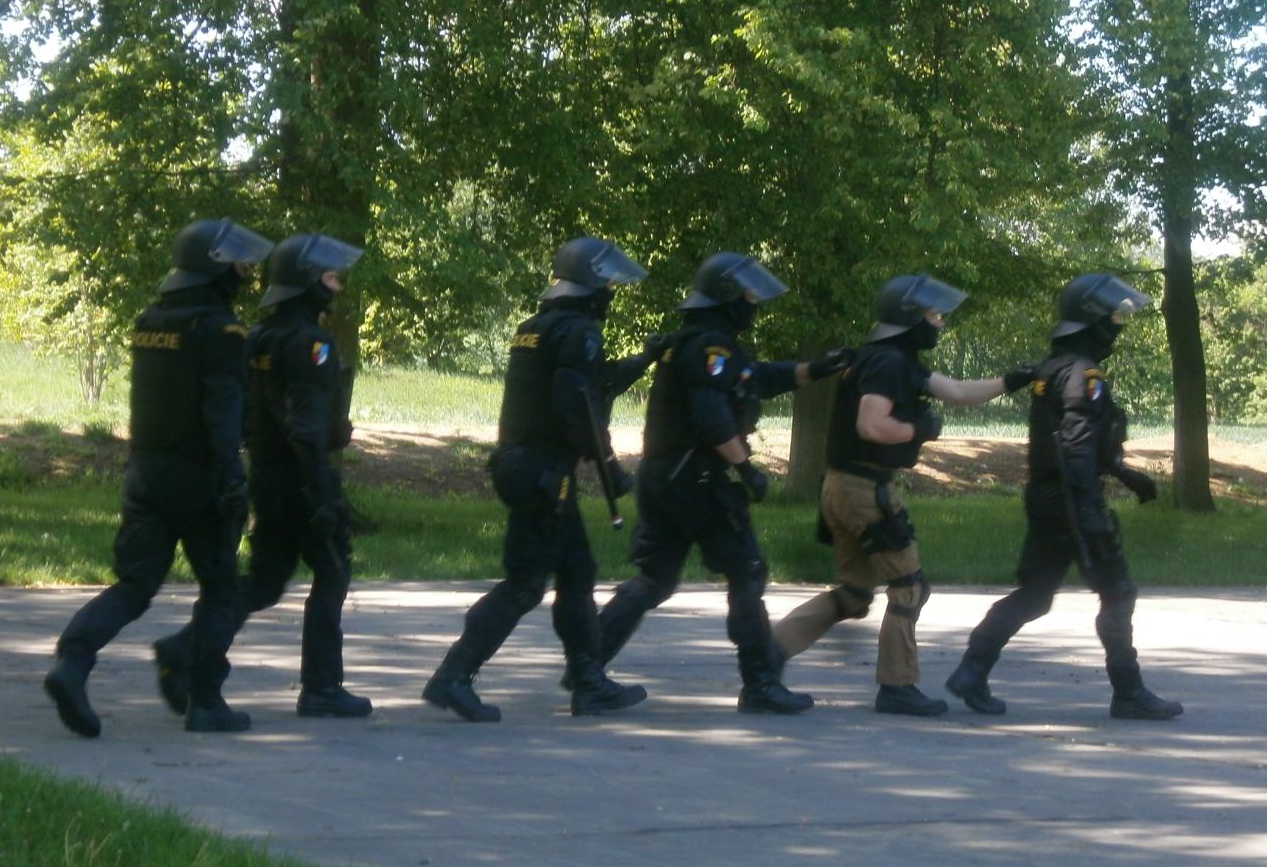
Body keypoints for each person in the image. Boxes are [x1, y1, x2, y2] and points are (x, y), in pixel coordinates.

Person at [43, 217, 273, 738]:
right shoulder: (223, 330)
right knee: (219, 588)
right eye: (238, 263)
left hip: (146, 474)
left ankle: (73, 661)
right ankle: (207, 701)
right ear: (214, 268)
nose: (244, 271)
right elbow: (221, 414)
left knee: (135, 584)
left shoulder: (151, 321)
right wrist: (234, 481)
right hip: (201, 480)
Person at [593, 251, 851, 713]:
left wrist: (816, 368)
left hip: (664, 476)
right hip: (695, 480)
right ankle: (760, 684)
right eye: (750, 294)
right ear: (729, 295)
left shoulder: (698, 343)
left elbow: (753, 378)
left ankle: (587, 670)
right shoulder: (710, 347)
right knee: (746, 570)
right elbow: (712, 416)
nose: (755, 302)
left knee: (655, 578)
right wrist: (746, 467)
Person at [770, 274, 1036, 717]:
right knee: (909, 588)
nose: (940, 323)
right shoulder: (889, 364)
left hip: (841, 486)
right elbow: (872, 426)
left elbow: (956, 392)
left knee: (856, 592)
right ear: (912, 316)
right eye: (934, 315)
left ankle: (767, 658)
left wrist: (1012, 380)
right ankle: (897, 686)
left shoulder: (889, 358)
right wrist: (919, 429)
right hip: (862, 489)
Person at [422, 236, 662, 722]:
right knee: (526, 583)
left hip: (529, 469)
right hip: (544, 475)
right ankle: (453, 675)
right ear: (591, 281)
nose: (612, 292)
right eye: (609, 282)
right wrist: (610, 465)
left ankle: (588, 679)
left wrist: (643, 359)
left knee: (576, 574)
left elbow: (588, 384)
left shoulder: (538, 328)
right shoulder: (579, 333)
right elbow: (578, 406)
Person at [153, 232, 372, 720]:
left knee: (266, 581)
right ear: (309, 281)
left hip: (268, 480)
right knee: (333, 574)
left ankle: (186, 649)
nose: (338, 287)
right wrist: (321, 490)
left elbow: (252, 414)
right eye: (333, 277)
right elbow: (306, 426)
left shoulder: (259, 337)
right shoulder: (312, 343)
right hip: (302, 479)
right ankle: (322, 688)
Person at [946, 274, 1181, 720]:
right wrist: (1090, 510)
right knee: (1118, 592)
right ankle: (1129, 692)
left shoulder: (1054, 368)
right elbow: (1075, 448)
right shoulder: (1082, 375)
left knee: (1034, 594)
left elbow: (1073, 441)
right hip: (1072, 501)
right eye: (1114, 316)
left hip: (1046, 496)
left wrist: (1126, 473)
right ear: (1092, 320)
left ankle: (971, 671)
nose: (1118, 325)